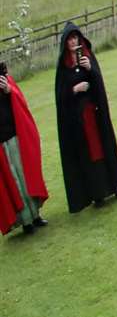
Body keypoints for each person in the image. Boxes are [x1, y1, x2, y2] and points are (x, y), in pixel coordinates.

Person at [53, 24, 117, 211]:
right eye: (70, 39)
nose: (73, 42)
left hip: (94, 115)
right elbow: (60, 95)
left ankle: (116, 186)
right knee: (87, 155)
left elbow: (99, 84)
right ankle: (97, 193)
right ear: (65, 42)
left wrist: (90, 70)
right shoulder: (63, 66)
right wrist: (74, 90)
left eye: (76, 38)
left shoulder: (87, 56)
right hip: (78, 120)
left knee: (104, 148)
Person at [0, 63, 49, 236]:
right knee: (13, 182)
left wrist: (8, 91)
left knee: (25, 176)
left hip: (15, 135)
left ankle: (35, 215)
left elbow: (20, 101)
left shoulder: (6, 79)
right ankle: (25, 221)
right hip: (1, 143)